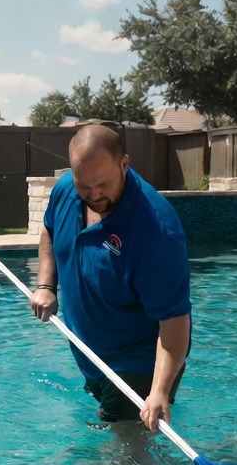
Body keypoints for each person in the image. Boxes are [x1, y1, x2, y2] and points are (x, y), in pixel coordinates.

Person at [30, 125, 192, 435]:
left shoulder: (156, 231)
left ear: (124, 165)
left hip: (139, 361)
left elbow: (174, 321)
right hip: (93, 356)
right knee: (116, 436)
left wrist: (158, 390)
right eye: (84, 185)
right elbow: (49, 230)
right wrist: (46, 285)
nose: (94, 195)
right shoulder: (66, 189)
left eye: (103, 184)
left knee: (122, 451)